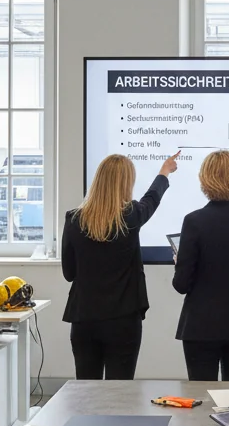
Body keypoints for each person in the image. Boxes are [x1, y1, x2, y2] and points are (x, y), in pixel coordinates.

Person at [61, 151, 180, 379]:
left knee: (87, 391)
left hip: (84, 318)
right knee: (120, 390)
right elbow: (152, 198)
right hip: (124, 319)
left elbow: (69, 273)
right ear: (127, 183)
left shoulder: (74, 219)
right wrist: (164, 172)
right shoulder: (131, 216)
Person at [172, 150, 229, 381]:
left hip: (201, 324)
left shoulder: (193, 221)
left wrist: (180, 262)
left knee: (202, 395)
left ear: (205, 179)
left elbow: (181, 285)